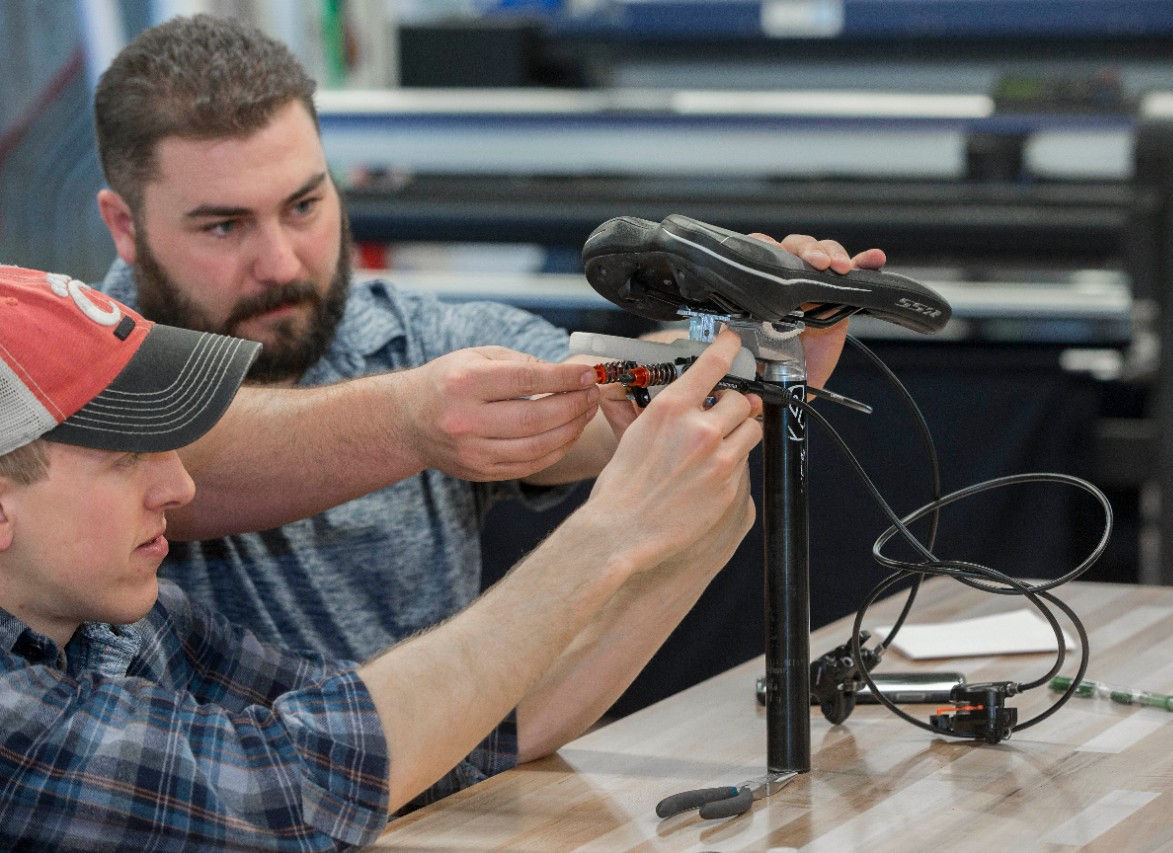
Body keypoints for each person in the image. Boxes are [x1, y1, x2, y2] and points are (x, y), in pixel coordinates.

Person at [90, 15, 880, 698]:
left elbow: (614, 399)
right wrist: (408, 421)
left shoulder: (419, 340)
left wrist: (756, 349)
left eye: (304, 205)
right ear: (124, 226)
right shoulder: (57, 380)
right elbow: (154, 450)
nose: (282, 263)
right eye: (222, 227)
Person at [0, 264, 759, 848]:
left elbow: (461, 735)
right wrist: (612, 534)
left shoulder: (125, 621)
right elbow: (293, 789)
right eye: (127, 456)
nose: (180, 484)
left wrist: (688, 531)